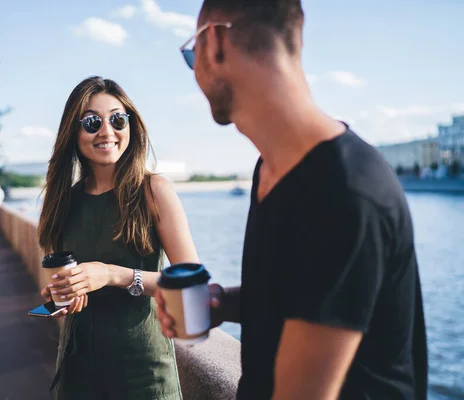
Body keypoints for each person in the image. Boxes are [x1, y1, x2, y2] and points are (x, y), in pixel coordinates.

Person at [156, 1, 428, 399]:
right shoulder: (272, 168)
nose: (195, 71)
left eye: (191, 54)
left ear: (213, 43)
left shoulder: (343, 191)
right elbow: (302, 293)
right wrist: (223, 304)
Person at [37, 76, 199, 399]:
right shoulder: (64, 203)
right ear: (74, 131)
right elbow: (61, 288)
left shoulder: (154, 192)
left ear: (130, 125)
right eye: (92, 122)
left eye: (117, 119)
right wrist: (59, 297)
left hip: (144, 376)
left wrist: (112, 274)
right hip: (77, 374)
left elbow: (193, 288)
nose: (107, 131)